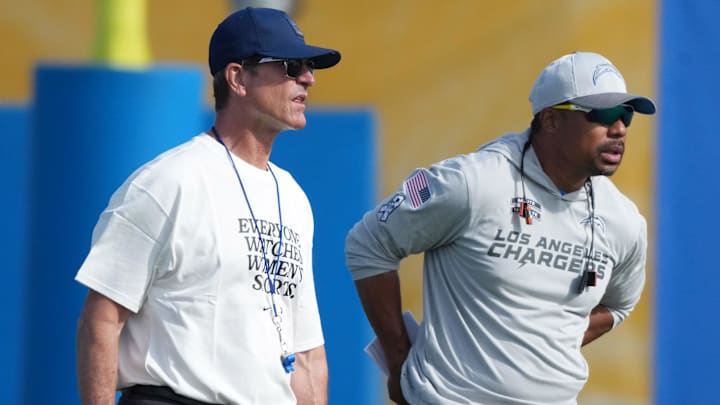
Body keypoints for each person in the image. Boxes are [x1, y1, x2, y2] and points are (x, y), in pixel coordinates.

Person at [345, 51, 655, 405]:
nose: (619, 128)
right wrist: (399, 358)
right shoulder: (471, 183)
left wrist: (545, 341)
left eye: (626, 115)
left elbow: (619, 304)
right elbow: (369, 243)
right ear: (551, 120)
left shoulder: (624, 220)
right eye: (603, 114)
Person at [75, 7, 340, 405]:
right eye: (290, 66)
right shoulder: (169, 182)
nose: (308, 78)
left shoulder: (294, 197)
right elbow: (102, 318)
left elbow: (306, 354)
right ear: (236, 78)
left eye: (309, 67)